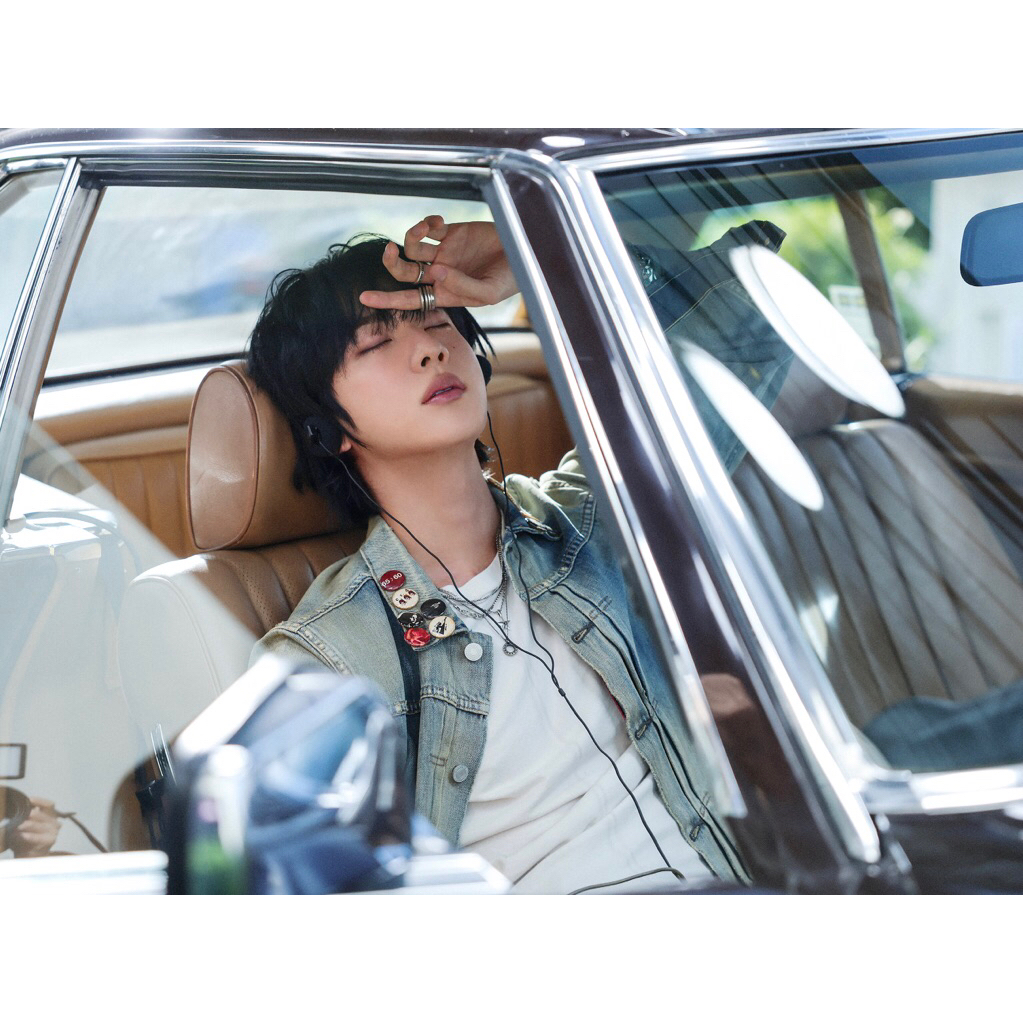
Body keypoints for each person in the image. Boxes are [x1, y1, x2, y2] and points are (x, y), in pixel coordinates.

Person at [247, 216, 755, 892]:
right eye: (377, 342)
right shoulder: (327, 656)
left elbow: (745, 318)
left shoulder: (581, 521)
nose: (430, 351)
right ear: (326, 428)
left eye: (437, 321)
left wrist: (540, 253)